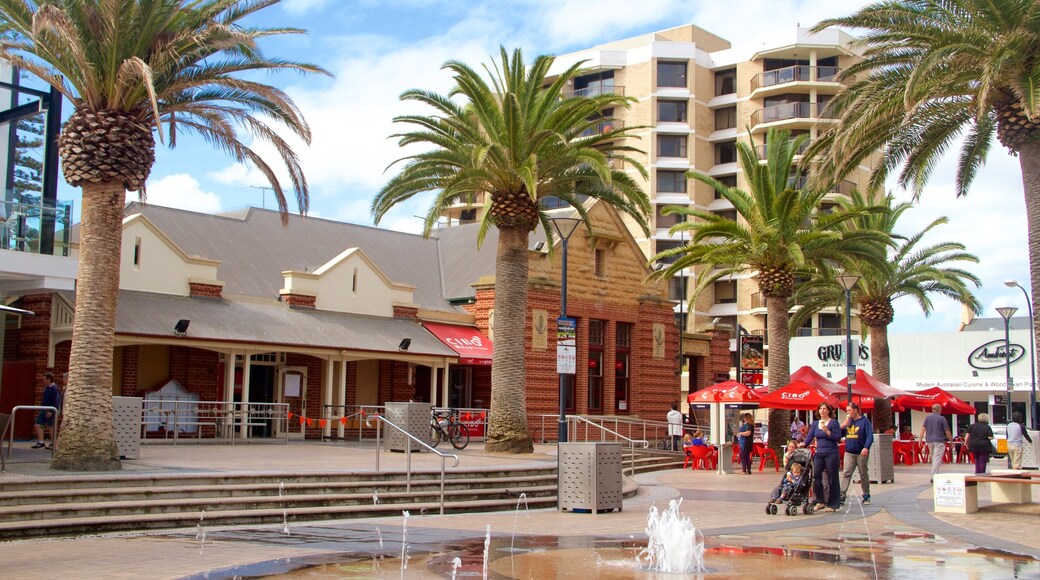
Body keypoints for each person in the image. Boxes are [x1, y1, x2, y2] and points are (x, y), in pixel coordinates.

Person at [802, 402, 842, 512]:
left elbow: (837, 437)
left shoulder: (834, 423)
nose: (822, 411)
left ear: (828, 411)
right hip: (819, 453)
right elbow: (810, 436)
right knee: (816, 477)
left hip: (831, 452)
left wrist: (827, 431)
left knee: (832, 478)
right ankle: (820, 501)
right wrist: (803, 443)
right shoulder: (815, 423)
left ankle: (833, 504)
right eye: (820, 409)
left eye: (824, 409)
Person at [839, 402, 874, 505]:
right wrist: (843, 426)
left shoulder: (865, 422)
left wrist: (866, 447)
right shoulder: (848, 422)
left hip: (861, 452)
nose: (848, 412)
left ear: (855, 410)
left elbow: (869, 436)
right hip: (849, 452)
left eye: (849, 410)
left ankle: (866, 495)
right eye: (847, 410)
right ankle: (842, 495)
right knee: (846, 473)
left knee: (863, 474)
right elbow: (839, 436)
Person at [920, 403, 952, 482]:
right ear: (940, 410)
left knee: (934, 458)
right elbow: (947, 431)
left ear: (932, 410)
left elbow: (923, 428)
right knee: (937, 458)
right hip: (939, 440)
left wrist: (920, 439)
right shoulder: (942, 419)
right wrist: (951, 441)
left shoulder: (927, 418)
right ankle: (933, 476)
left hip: (929, 440)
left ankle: (935, 474)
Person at [32, 372, 62, 450]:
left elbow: (56, 401)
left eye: (45, 379)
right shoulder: (46, 388)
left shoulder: (55, 389)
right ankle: (41, 442)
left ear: (49, 379)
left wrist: (51, 411)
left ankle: (53, 443)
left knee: (50, 427)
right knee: (38, 424)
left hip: (50, 410)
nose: (43, 381)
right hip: (44, 409)